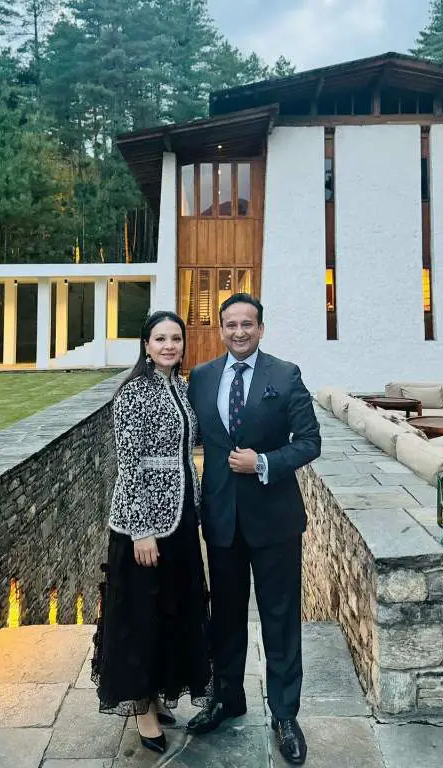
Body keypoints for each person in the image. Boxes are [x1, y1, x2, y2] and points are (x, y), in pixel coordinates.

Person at [186, 293, 321, 765]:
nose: (239, 332)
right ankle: (227, 698)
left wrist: (264, 462)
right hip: (221, 520)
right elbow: (188, 436)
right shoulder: (200, 378)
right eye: (231, 324)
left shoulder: (285, 375)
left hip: (275, 521)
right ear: (220, 329)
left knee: (279, 619)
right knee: (223, 617)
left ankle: (284, 713)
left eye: (247, 324)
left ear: (261, 329)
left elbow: (310, 442)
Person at [91, 310, 212, 755]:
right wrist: (142, 530)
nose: (168, 345)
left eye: (175, 338)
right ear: (145, 345)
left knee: (170, 611)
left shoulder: (181, 388)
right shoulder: (133, 394)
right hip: (143, 526)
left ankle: (159, 693)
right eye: (160, 338)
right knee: (139, 617)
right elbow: (130, 463)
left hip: (181, 519)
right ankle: (141, 706)